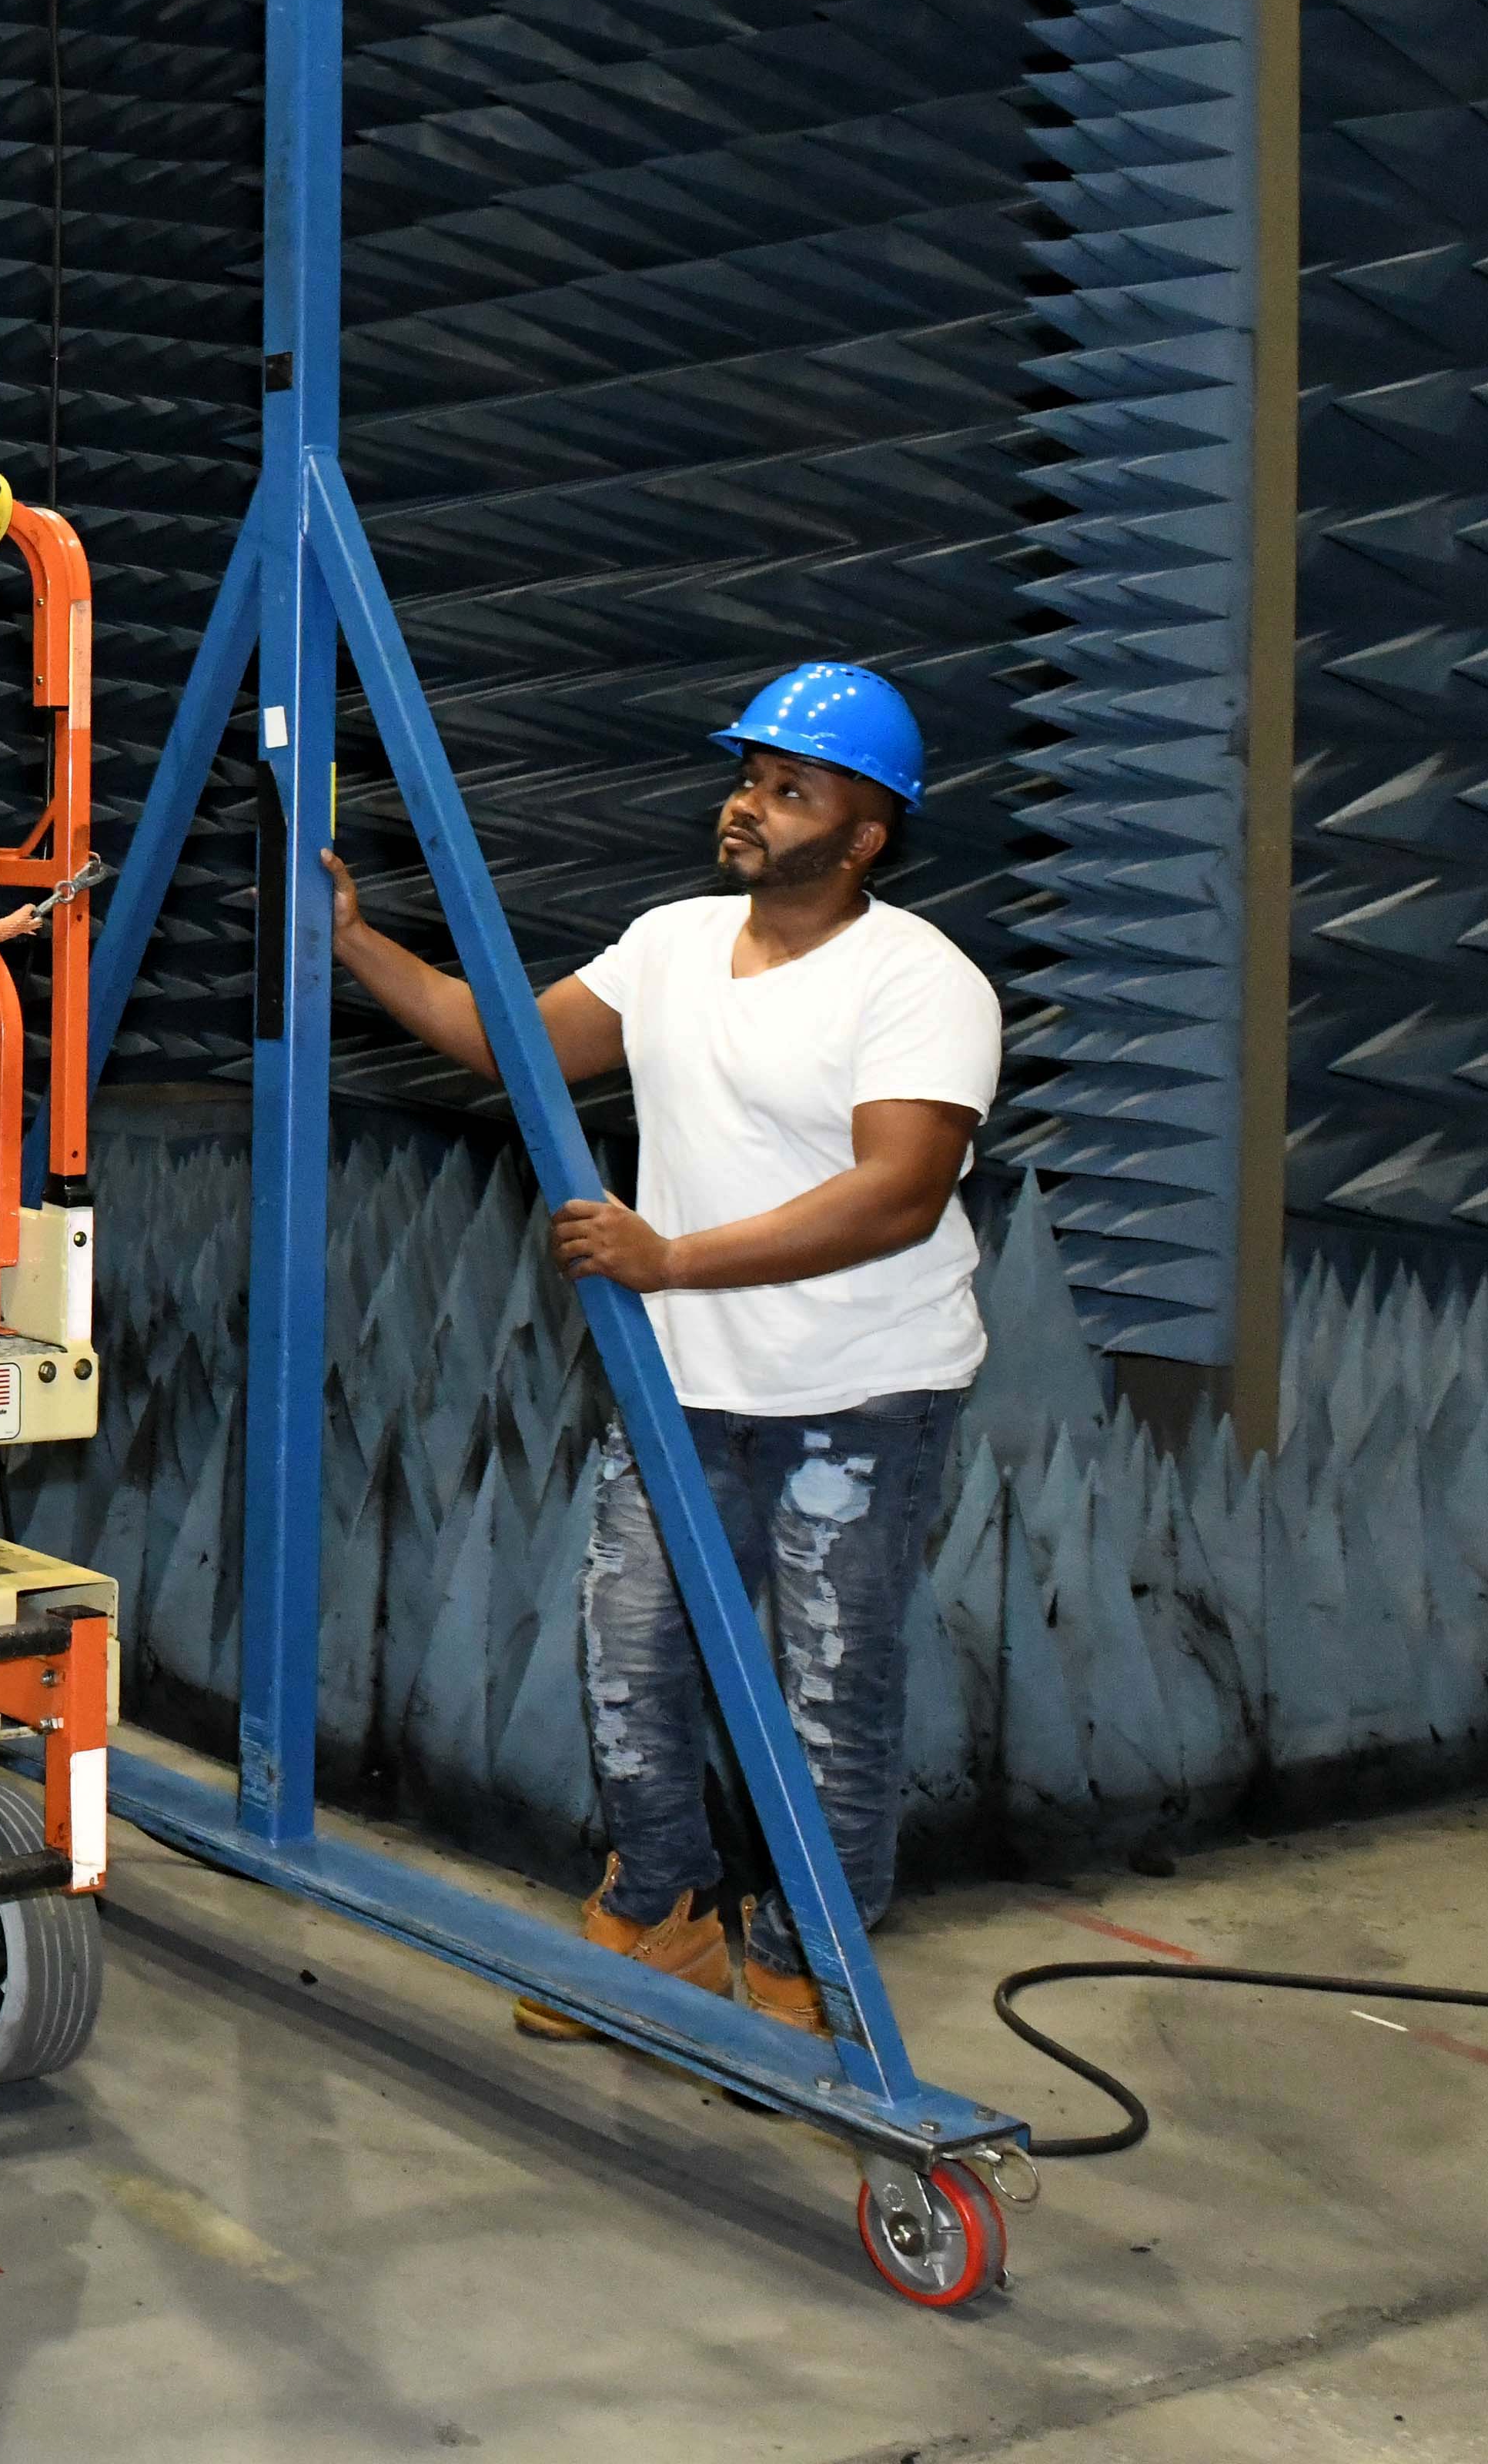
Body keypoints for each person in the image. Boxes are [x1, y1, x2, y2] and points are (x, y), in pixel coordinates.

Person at [324, 662, 998, 2041]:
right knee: (630, 1659)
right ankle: (660, 1914)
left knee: (831, 1694)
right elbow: (501, 1043)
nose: (750, 804)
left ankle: (814, 1963)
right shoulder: (674, 942)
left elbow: (900, 1192)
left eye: (790, 787)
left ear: (865, 834)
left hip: (860, 1395)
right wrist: (350, 939)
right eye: (749, 777)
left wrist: (670, 1260)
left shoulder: (923, 983)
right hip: (685, 1383)